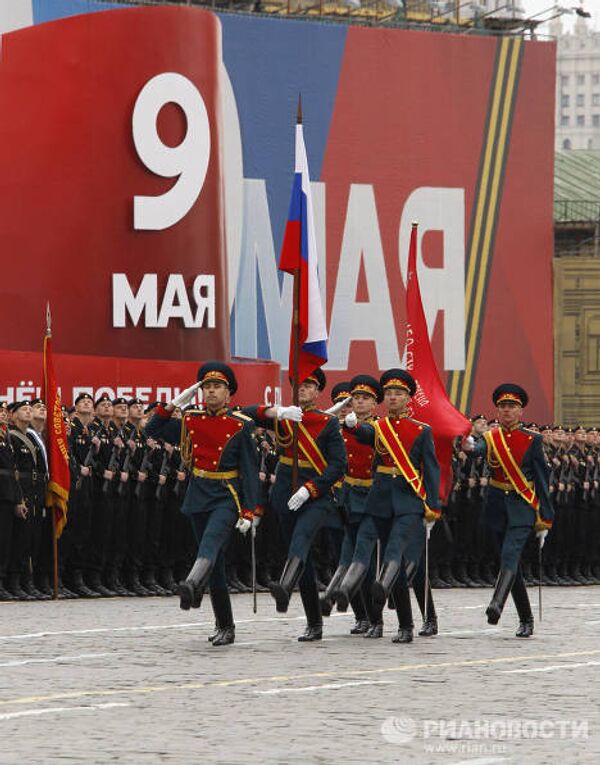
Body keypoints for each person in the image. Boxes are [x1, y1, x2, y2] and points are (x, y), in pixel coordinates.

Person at [145, 361, 260, 647]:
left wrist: (250, 510)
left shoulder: (241, 425)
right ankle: (225, 625)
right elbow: (152, 430)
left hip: (226, 494)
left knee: (210, 543)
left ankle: (192, 584)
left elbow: (250, 470)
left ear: (228, 393)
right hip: (198, 493)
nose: (210, 392)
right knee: (215, 563)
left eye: (217, 387)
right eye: (207, 387)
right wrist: (171, 404)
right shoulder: (191, 419)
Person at [333, 369, 441, 642]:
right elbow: (364, 433)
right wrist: (352, 425)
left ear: (408, 399)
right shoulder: (378, 428)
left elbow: (431, 471)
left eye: (399, 394)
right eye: (390, 393)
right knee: (367, 548)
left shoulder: (421, 431)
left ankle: (402, 620)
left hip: (408, 502)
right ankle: (359, 599)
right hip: (378, 499)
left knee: (394, 555)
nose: (393, 397)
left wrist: (433, 508)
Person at [244, 369, 347, 641]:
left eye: (309, 385)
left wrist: (310, 489)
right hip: (284, 495)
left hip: (316, 495)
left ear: (318, 391)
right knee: (302, 558)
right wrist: (276, 412)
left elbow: (338, 466)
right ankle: (314, 622)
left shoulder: (327, 423)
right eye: (299, 385)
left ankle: (285, 586)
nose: (303, 389)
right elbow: (246, 412)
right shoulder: (285, 418)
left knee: (301, 541)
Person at [464, 384, 553, 637]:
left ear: (520, 411)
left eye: (511, 407)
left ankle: (496, 604)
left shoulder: (532, 439)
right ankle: (526, 618)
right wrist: (468, 445)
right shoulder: (491, 437)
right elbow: (477, 452)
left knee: (510, 555)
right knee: (508, 563)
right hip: (496, 506)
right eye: (503, 406)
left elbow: (542, 480)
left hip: (522, 506)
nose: (506, 410)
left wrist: (545, 517)